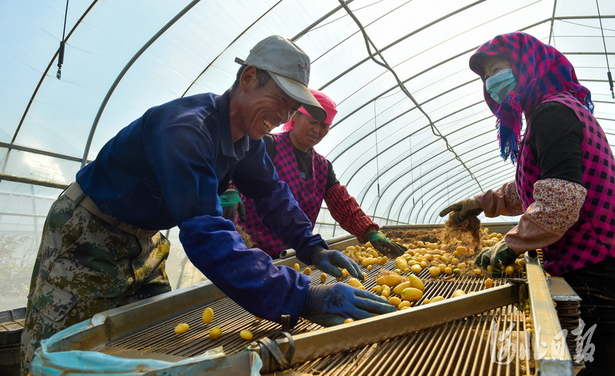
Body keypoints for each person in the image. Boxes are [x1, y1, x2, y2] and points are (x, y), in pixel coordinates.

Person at [21, 35, 396, 375]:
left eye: (291, 106)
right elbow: (207, 237)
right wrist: (304, 296)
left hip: (145, 241)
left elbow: (270, 193)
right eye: (280, 101)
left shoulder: (246, 140)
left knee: (147, 343)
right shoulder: (186, 130)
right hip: (89, 233)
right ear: (248, 77)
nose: (283, 116)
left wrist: (311, 246)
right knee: (60, 350)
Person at [439, 32, 614, 374]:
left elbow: (559, 200)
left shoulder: (553, 114)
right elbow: (533, 188)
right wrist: (481, 203)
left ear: (526, 66)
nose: (491, 82)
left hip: (596, 268)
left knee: (598, 360)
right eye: (486, 76)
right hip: (589, 262)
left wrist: (510, 245)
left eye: (498, 69)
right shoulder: (548, 111)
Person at [220, 89, 406, 259]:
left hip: (293, 255)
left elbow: (341, 203)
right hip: (249, 250)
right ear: (295, 117)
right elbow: (235, 166)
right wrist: (229, 188)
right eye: (313, 122)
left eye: (324, 126)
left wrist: (368, 230)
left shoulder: (323, 167)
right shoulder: (268, 146)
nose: (317, 130)